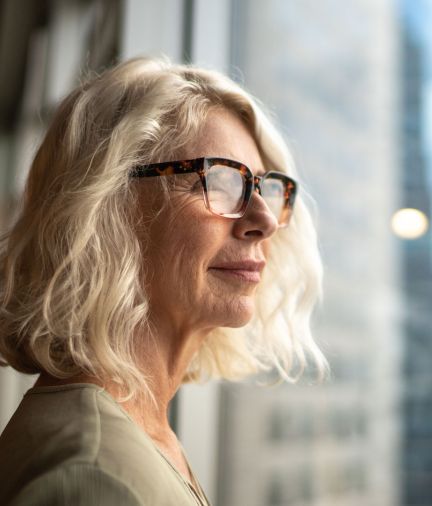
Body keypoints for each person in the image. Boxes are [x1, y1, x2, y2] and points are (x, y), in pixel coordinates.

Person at [0, 57, 327, 505]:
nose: (264, 220)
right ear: (107, 207)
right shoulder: (92, 475)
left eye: (264, 187)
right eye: (219, 182)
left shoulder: (139, 433)